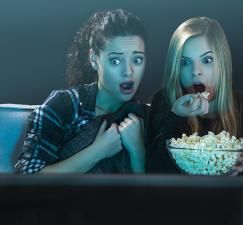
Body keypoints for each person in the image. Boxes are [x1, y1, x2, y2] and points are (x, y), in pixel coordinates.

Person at [147, 17, 243, 201]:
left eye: (207, 60)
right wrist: (175, 119)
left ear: (222, 62)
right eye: (185, 62)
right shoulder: (165, 103)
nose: (195, 71)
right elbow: (152, 181)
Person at [15, 9, 149, 174]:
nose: (128, 71)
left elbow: (148, 197)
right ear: (94, 59)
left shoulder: (145, 118)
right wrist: (97, 151)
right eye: (115, 61)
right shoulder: (65, 106)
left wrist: (137, 151)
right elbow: (26, 179)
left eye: (137, 60)